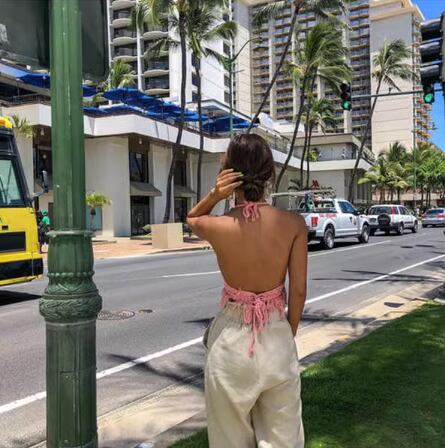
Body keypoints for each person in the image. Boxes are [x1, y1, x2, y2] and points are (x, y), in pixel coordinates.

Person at [187, 134, 307, 448]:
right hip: (276, 336)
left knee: (229, 440)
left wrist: (215, 194)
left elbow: (192, 219)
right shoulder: (293, 224)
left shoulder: (220, 225)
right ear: (270, 174)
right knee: (284, 440)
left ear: (229, 174)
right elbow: (298, 292)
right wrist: (287, 332)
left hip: (230, 343)